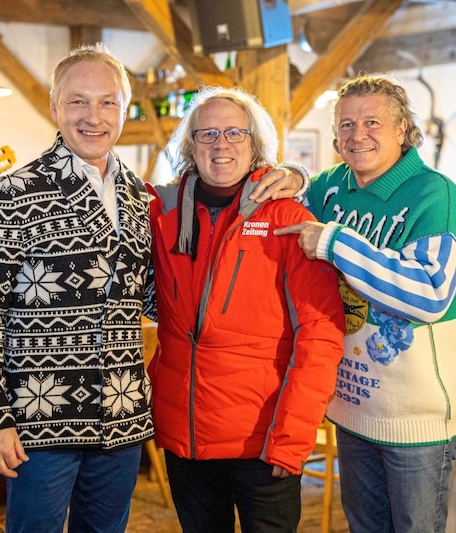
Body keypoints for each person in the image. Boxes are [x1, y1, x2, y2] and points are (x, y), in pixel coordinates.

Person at [0, 44, 304, 533]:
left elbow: (156, 293)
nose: (93, 117)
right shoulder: (13, 192)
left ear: (124, 109)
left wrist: (294, 176)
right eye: (78, 102)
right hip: (40, 416)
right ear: (55, 106)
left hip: (123, 419)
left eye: (107, 103)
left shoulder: (139, 193)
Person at [145, 86, 346, 533]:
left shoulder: (287, 217)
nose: (221, 144)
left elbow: (321, 333)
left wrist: (292, 440)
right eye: (207, 133)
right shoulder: (163, 210)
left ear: (255, 144)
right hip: (186, 441)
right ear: (190, 147)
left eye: (235, 132)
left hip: (264, 443)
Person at [275, 74, 456, 532]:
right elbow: (286, 190)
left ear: (402, 129)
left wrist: (336, 242)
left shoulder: (434, 192)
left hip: (416, 422)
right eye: (345, 125)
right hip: (352, 409)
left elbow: (430, 294)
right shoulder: (330, 187)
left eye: (372, 122)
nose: (357, 135)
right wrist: (293, 173)